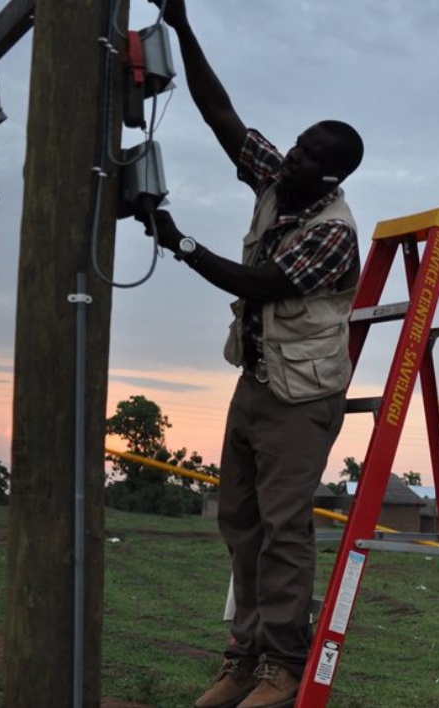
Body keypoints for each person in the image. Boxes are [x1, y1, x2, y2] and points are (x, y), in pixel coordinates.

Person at [145, 2, 365, 707]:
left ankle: (283, 665)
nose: (290, 157)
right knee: (237, 520)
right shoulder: (281, 182)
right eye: (295, 146)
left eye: (307, 156)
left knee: (283, 530)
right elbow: (223, 118)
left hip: (302, 397)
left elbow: (258, 283)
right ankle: (243, 654)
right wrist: (180, 26)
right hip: (258, 382)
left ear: (330, 178)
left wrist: (178, 242)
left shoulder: (332, 231)